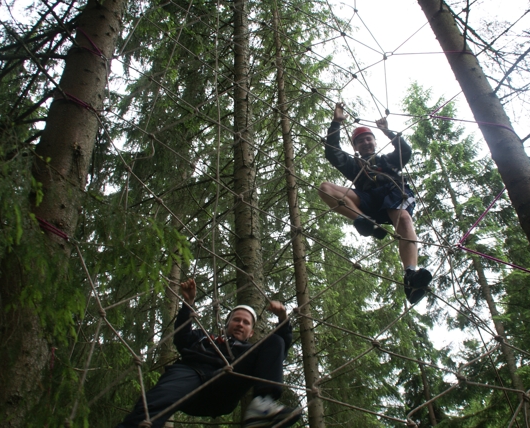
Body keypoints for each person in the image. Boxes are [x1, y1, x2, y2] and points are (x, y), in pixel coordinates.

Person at [117, 279, 301, 428]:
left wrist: (283, 318)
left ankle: (261, 405)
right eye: (236, 320)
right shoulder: (204, 337)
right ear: (226, 324)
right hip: (190, 374)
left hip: (224, 385)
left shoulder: (249, 352)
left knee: (276, 341)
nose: (240, 324)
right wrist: (188, 303)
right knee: (153, 404)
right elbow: (182, 338)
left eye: (246, 323)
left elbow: (279, 350)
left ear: (251, 332)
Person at [318, 102, 432, 305]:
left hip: (393, 194)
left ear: (375, 141)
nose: (366, 143)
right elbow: (331, 152)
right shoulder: (354, 166)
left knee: (404, 219)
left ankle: (410, 275)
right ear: (355, 147)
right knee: (326, 188)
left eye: (369, 139)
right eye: (360, 141)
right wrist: (336, 122)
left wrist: (388, 131)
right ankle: (364, 221)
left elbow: (405, 152)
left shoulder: (388, 160)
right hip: (368, 201)